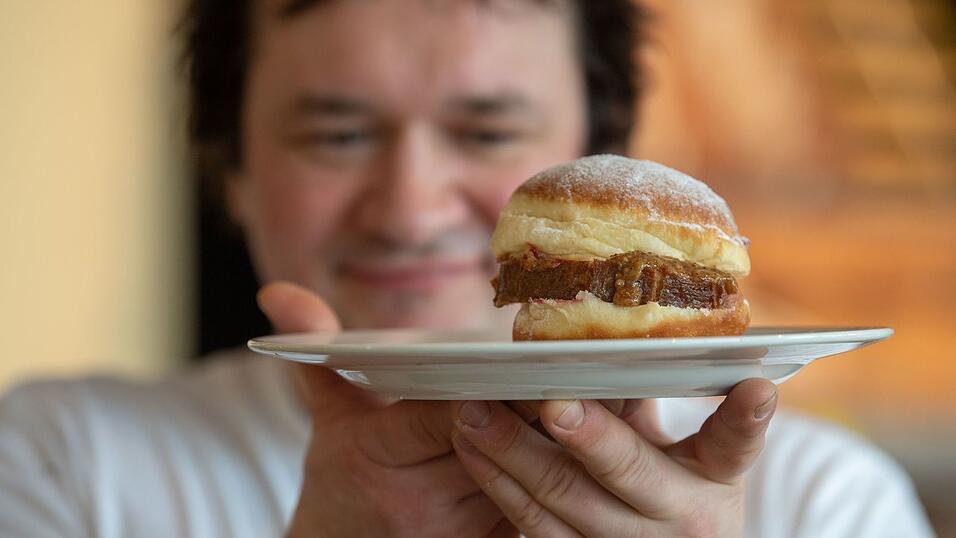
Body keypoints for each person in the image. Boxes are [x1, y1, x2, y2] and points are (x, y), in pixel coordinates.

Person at [0, 1, 933, 536]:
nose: (410, 210)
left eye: (487, 133)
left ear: (601, 143)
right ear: (232, 172)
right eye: (337, 135)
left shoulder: (822, 502)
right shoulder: (62, 461)